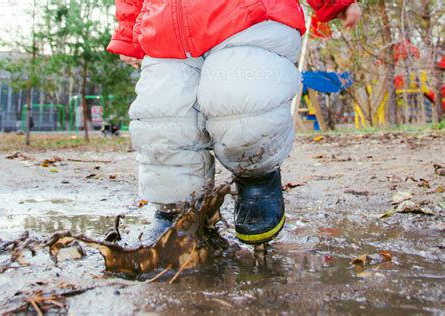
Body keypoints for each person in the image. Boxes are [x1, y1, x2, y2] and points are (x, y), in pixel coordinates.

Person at [107, 0, 361, 245]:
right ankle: (177, 208)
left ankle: (256, 175)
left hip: (247, 18)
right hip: (164, 28)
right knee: (163, 120)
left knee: (242, 100)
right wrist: (129, 33)